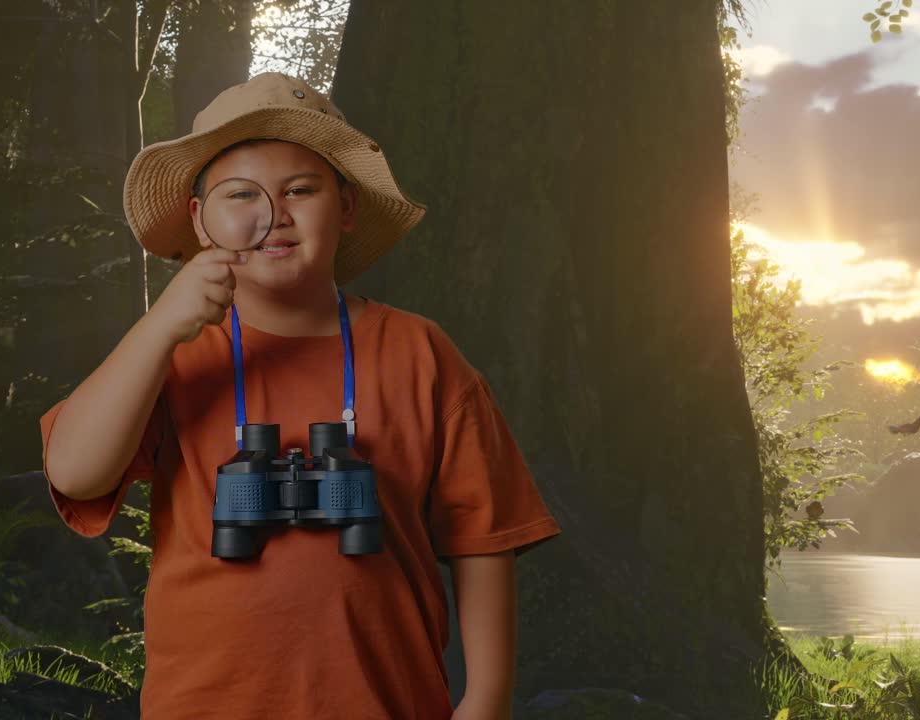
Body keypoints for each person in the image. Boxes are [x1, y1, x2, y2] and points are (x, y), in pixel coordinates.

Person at [39, 72, 560, 719]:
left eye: (301, 190)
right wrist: (160, 328)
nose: (274, 214)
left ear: (345, 209)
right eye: (241, 195)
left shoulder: (420, 352)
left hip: (385, 703)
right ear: (201, 221)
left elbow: (482, 536)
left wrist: (485, 699)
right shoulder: (170, 356)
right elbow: (74, 473)